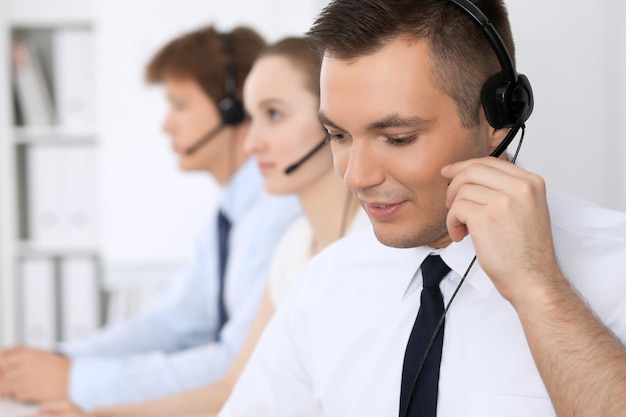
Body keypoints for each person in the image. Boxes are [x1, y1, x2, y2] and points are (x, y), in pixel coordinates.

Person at [217, 1, 626, 416]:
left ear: (500, 118)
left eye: (397, 138)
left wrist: (541, 290)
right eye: (338, 135)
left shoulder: (615, 270)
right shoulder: (326, 284)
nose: (356, 177)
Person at [29, 36, 369, 417]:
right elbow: (231, 386)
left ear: (334, 120)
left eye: (273, 115)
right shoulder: (294, 246)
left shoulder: (368, 246)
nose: (252, 141)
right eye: (251, 117)